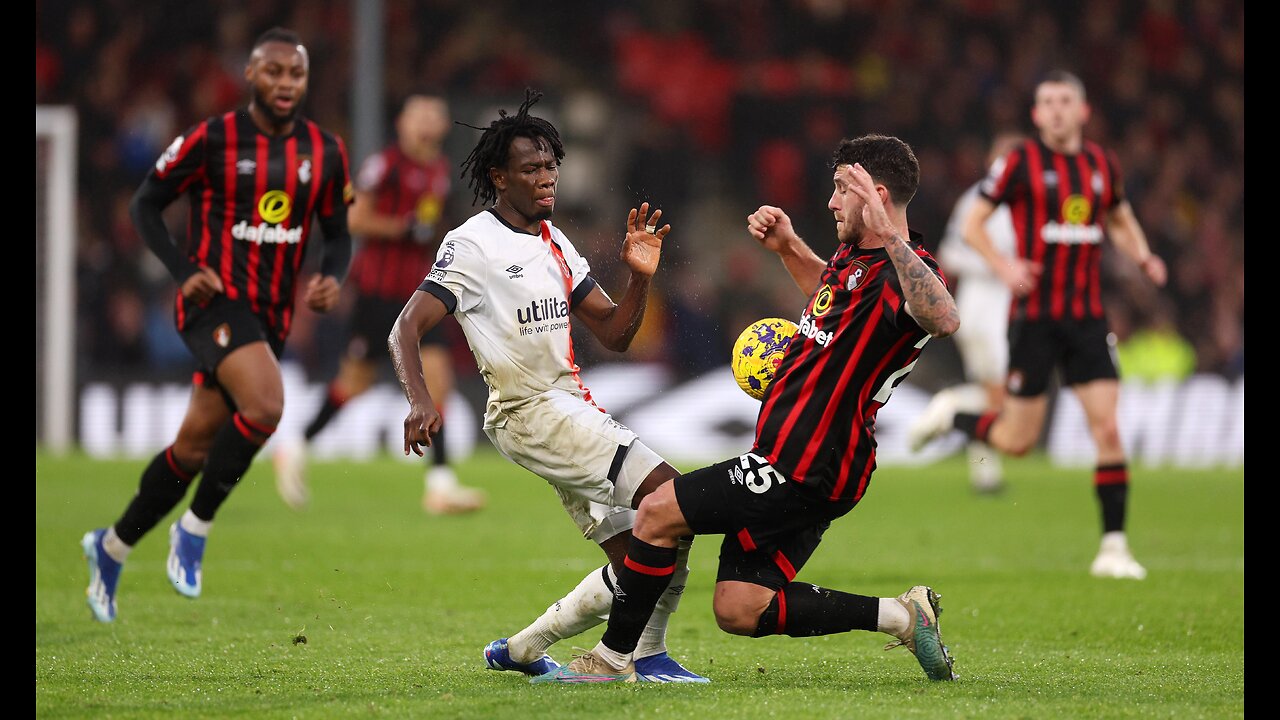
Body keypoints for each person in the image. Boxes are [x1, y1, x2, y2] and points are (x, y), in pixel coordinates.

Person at [536, 134, 961, 684]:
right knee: (741, 607)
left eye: (841, 190)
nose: (831, 202)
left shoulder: (909, 270)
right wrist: (789, 248)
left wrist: (888, 232)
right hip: (807, 460)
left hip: (806, 462)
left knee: (658, 511)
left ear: (875, 195)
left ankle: (613, 660)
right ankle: (902, 616)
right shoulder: (858, 262)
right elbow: (831, 302)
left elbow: (944, 318)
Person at [388, 90, 705, 682]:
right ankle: (629, 659)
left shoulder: (554, 241)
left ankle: (531, 650)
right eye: (531, 168)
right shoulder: (472, 243)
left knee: (650, 545)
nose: (546, 177)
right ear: (497, 176)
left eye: (551, 165)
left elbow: (613, 333)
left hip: (567, 408)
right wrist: (420, 401)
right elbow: (406, 326)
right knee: (671, 502)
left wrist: (638, 279)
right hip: (529, 412)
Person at [80, 27, 354, 623]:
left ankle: (111, 546)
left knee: (194, 445)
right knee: (265, 406)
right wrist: (183, 271)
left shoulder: (325, 151)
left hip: (270, 316)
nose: (285, 83)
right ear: (250, 75)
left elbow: (338, 233)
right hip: (213, 304)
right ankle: (194, 528)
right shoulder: (213, 138)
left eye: (296, 74)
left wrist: (332, 275)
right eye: (274, 71)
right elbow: (144, 204)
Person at [907, 70, 1168, 580]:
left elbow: (1118, 215)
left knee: (1107, 427)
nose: (1055, 110)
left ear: (1083, 111)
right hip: (1033, 321)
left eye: (1064, 101)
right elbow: (971, 224)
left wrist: (1143, 256)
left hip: (1088, 318)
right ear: (1035, 115)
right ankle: (950, 418)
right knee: (1017, 439)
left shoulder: (1100, 164)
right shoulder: (1020, 164)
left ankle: (1113, 547)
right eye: (1046, 102)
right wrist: (1005, 267)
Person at [272, 94, 486, 515]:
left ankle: (440, 485)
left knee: (438, 381)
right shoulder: (385, 165)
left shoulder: (440, 170)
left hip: (423, 295)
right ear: (403, 124)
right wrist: (402, 227)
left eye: (433, 115)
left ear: (443, 126)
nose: (426, 123)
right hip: (378, 295)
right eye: (417, 115)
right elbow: (353, 218)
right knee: (355, 382)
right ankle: (295, 444)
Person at [930, 132, 1025, 494]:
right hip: (985, 308)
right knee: (1002, 398)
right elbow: (950, 254)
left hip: (997, 308)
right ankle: (947, 408)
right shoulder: (979, 199)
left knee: (990, 395)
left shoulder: (1021, 202)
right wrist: (999, 265)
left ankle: (985, 476)